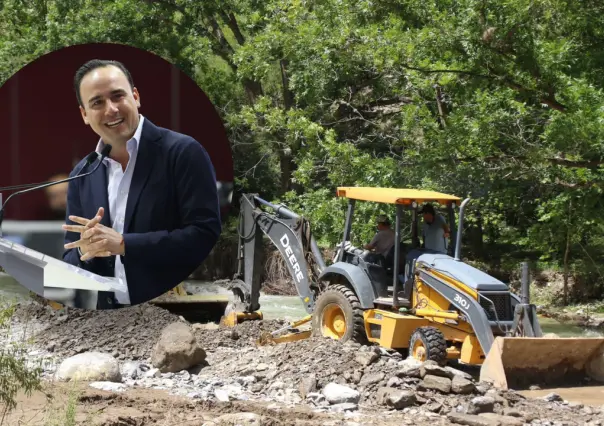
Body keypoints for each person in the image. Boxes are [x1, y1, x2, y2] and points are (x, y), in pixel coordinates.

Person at [61, 59, 222, 309]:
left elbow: (204, 237)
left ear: (135, 97)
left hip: (177, 311)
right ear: (84, 114)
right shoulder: (82, 174)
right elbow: (71, 260)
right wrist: (87, 249)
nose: (111, 109)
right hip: (111, 316)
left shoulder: (183, 153)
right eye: (97, 102)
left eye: (118, 96)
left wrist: (125, 244)